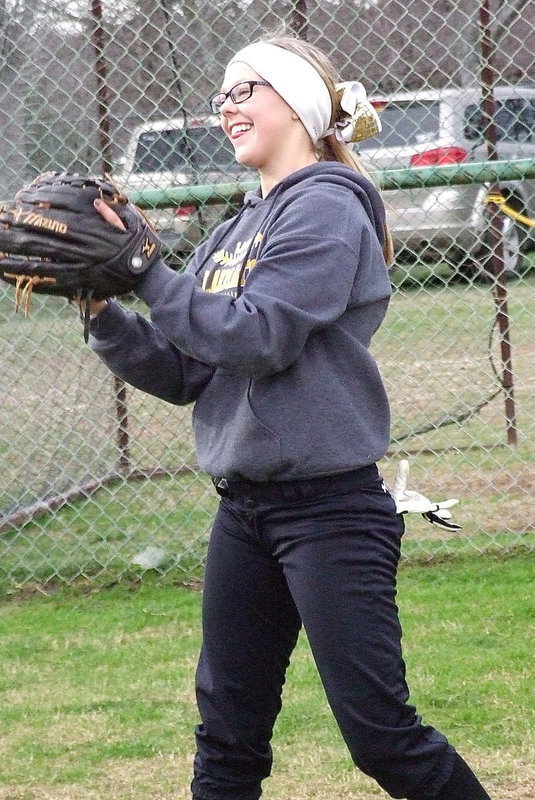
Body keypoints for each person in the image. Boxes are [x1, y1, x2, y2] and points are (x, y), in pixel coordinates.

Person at [86, 34, 493, 800]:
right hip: (244, 511)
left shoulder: (328, 207)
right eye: (221, 96)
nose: (225, 107)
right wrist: (103, 308)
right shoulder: (237, 227)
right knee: (227, 732)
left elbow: (256, 334)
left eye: (245, 90)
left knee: (381, 738)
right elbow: (184, 369)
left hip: (329, 512)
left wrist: (147, 269)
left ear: (299, 103)